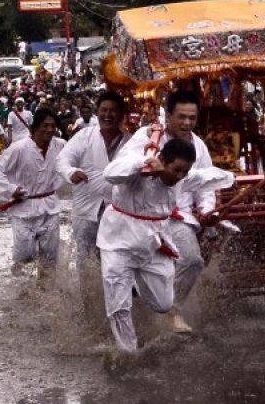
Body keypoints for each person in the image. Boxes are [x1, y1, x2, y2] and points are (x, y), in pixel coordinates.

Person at [97, 139, 234, 353]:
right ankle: (128, 353)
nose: (179, 176)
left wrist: (231, 178)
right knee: (119, 306)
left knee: (163, 303)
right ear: (162, 159)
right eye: (176, 170)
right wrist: (143, 164)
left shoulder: (181, 179)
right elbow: (110, 173)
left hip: (153, 244)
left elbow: (210, 176)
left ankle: (136, 285)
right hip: (118, 243)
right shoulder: (136, 170)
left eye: (184, 172)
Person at [116, 91, 217, 333]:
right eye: (181, 117)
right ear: (168, 114)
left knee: (192, 261)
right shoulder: (147, 136)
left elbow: (206, 185)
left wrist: (206, 210)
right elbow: (120, 167)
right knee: (129, 271)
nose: (187, 123)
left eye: (192, 118)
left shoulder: (199, 146)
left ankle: (172, 310)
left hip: (176, 216)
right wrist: (146, 164)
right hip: (140, 216)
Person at [56, 91, 131, 272]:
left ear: (121, 114)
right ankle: (89, 300)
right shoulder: (84, 136)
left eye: (113, 111)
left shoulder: (131, 141)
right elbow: (62, 160)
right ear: (98, 112)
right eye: (103, 110)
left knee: (117, 260)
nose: (107, 115)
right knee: (86, 261)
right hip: (87, 209)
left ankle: (114, 297)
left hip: (119, 211)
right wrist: (71, 172)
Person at [0, 108, 66, 278]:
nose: (49, 129)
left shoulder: (60, 145)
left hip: (50, 206)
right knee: (24, 256)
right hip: (24, 209)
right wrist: (11, 190)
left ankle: (46, 290)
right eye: (45, 125)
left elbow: (72, 159)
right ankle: (20, 288)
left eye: (52, 126)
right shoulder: (19, 148)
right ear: (35, 127)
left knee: (49, 258)